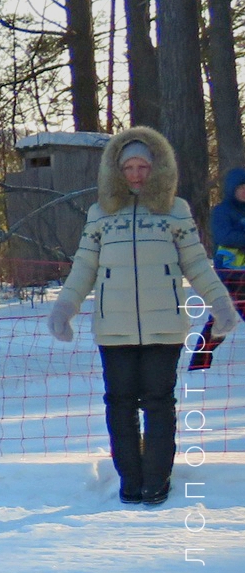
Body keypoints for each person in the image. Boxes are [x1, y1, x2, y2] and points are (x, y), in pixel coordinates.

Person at [49, 128, 241, 506]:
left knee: (158, 401)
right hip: (113, 328)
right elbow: (84, 266)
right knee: (118, 402)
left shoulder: (175, 210)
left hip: (164, 327)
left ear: (158, 169)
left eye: (143, 167)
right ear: (115, 171)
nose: (136, 175)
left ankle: (156, 479)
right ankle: (129, 480)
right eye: (128, 167)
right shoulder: (101, 213)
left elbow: (197, 264)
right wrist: (64, 307)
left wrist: (220, 304)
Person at [198, 169, 245, 370]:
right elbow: (224, 236)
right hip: (230, 275)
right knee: (222, 317)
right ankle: (200, 360)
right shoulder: (222, 211)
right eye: (241, 189)